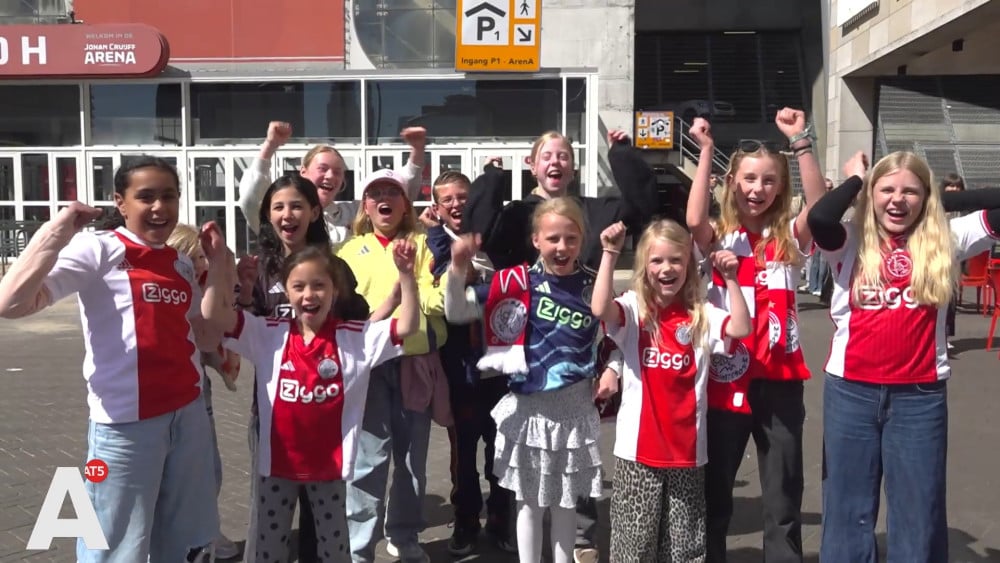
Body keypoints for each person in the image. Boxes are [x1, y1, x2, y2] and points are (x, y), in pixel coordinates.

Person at [0, 157, 220, 562]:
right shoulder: (98, 250)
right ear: (121, 202)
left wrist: (222, 268)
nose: (159, 207)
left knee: (183, 540)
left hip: (187, 418)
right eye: (146, 197)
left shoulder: (180, 263)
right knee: (113, 544)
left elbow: (201, 334)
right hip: (123, 428)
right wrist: (60, 230)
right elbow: (11, 303)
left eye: (168, 196)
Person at [463, 130, 659, 562]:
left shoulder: (593, 209)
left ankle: (581, 543)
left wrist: (621, 153)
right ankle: (508, 534)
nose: (555, 162)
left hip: (577, 356)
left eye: (564, 155)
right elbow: (477, 230)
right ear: (533, 166)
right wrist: (493, 177)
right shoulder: (516, 213)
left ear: (573, 166)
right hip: (523, 354)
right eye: (546, 156)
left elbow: (642, 205)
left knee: (572, 478)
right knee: (524, 482)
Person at [807, 151, 1000, 562]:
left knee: (919, 509)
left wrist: (935, 202)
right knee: (847, 508)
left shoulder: (948, 238)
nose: (898, 200)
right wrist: (856, 180)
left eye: (910, 191)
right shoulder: (849, 238)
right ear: (870, 194)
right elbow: (819, 218)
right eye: (887, 190)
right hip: (850, 393)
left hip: (919, 397)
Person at [204, 234, 421, 563]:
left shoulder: (354, 337)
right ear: (287, 291)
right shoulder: (269, 333)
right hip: (276, 468)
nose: (309, 294)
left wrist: (406, 274)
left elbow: (407, 326)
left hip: (328, 469)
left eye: (319, 285)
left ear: (334, 291)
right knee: (268, 549)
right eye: (299, 286)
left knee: (334, 551)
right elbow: (215, 317)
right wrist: (220, 265)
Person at [685, 109, 827, 563]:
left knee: (784, 491)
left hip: (782, 382)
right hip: (727, 380)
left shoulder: (788, 236)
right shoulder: (720, 238)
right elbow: (691, 220)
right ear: (732, 183)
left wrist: (800, 142)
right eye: (748, 179)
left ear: (780, 188)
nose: (757, 189)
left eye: (768, 181)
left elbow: (822, 209)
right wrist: (706, 150)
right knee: (717, 490)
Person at [444, 198, 604, 563]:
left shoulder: (594, 285)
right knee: (528, 503)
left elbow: (617, 335)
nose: (561, 247)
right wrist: (457, 267)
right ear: (536, 240)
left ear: (582, 239)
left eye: (570, 238)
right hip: (529, 409)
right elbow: (456, 312)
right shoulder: (515, 282)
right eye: (552, 238)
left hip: (575, 411)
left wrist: (611, 371)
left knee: (565, 505)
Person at [591, 219, 751, 561]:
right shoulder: (635, 309)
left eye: (676, 260)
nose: (667, 268)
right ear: (644, 266)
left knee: (685, 548)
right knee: (633, 547)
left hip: (688, 454)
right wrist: (609, 253)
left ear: (689, 266)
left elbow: (740, 326)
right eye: (657, 260)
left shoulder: (702, 315)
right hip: (637, 452)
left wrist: (733, 279)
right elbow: (599, 308)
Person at [235, 173, 369, 562]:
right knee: (268, 515)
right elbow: (246, 331)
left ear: (314, 211)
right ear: (268, 215)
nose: (287, 214)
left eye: (296, 205)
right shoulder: (259, 269)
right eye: (278, 207)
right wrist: (242, 291)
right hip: (276, 416)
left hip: (327, 415)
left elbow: (358, 326)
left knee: (324, 520)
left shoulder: (335, 267)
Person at [338, 169, 448, 563]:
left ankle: (404, 535)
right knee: (367, 459)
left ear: (406, 204)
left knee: (411, 458)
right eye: (375, 193)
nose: (383, 199)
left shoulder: (426, 244)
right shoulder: (349, 250)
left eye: (393, 192)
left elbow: (438, 296)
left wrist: (414, 296)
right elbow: (344, 309)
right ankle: (358, 546)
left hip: (413, 361)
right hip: (368, 367)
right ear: (365, 206)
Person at [419, 170, 515, 555]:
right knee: (464, 459)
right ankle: (465, 522)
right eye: (449, 200)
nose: (457, 204)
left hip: (502, 371)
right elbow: (449, 289)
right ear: (438, 209)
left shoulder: (495, 239)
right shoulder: (436, 244)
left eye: (463, 197)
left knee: (502, 452)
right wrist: (439, 240)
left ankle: (500, 519)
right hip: (461, 371)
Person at [166, 223, 241, 560]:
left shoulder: (200, 287)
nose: (198, 265)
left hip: (197, 388)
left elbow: (212, 336)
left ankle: (204, 530)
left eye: (200, 257)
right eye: (190, 257)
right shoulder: (171, 289)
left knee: (209, 467)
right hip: (165, 393)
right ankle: (186, 535)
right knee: (176, 470)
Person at [239, 122, 426, 246]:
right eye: (323, 168)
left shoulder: (353, 212)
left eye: (338, 172)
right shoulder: (284, 217)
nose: (330, 176)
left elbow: (399, 190)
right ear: (303, 172)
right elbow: (250, 200)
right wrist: (270, 146)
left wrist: (416, 150)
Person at [941, 172, 967, 343]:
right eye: (950, 185)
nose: (954, 189)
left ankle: (946, 335)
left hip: (956, 257)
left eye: (957, 186)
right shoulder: (937, 206)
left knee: (951, 299)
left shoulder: (964, 210)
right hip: (939, 254)